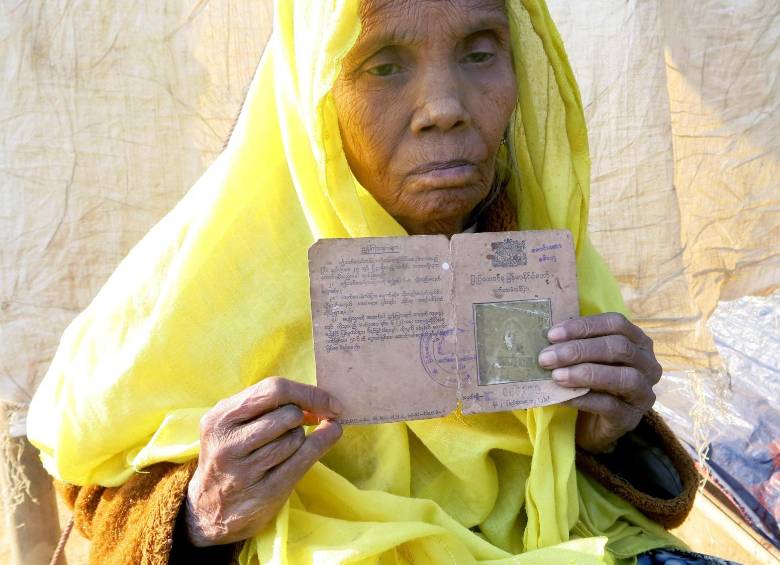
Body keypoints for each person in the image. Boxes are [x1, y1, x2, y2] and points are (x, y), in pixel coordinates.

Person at [28, 1, 726, 563]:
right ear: (316, 89)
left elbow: (631, 496)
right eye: (383, 64)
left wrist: (611, 432)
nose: (444, 106)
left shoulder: (533, 243)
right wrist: (199, 513)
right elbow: (93, 492)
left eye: (480, 52)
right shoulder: (204, 276)